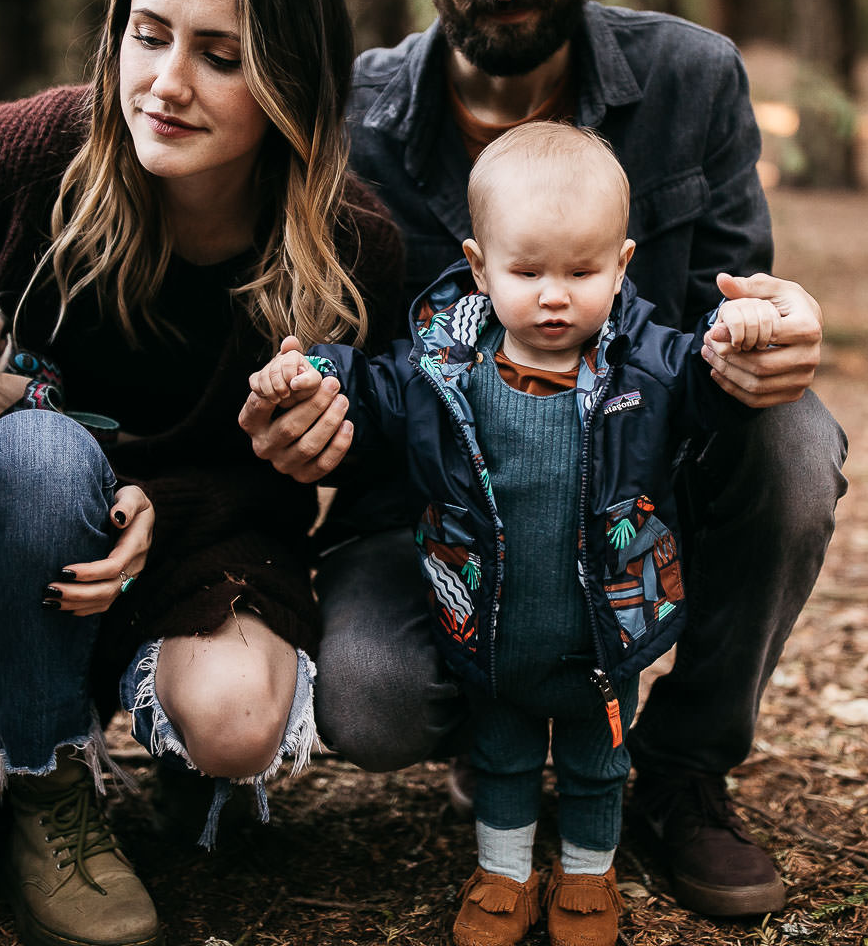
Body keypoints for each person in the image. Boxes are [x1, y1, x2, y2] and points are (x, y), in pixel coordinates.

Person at [237, 0, 849, 919]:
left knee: (795, 444)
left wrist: (771, 335)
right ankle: (511, 716)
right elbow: (322, 345)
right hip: (432, 514)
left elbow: (731, 306)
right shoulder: (348, 121)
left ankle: (679, 777)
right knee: (366, 702)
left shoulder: (690, 80)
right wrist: (305, 401)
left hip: (634, 486)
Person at [0, 0, 404, 946]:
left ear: (291, 76)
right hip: (22, 511)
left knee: (236, 720)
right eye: (147, 37)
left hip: (215, 528)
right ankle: (46, 788)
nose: (166, 84)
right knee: (50, 461)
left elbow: (355, 458)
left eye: (220, 56)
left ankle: (182, 763)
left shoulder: (351, 244)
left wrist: (329, 434)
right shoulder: (39, 151)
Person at [251, 124, 782, 946]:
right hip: (489, 628)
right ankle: (502, 876)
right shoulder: (444, 369)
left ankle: (585, 877)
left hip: (602, 627)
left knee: (596, 760)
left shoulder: (647, 365)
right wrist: (314, 371)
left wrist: (737, 336)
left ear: (623, 265)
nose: (555, 295)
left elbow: (710, 398)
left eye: (582, 271)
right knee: (500, 753)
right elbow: (373, 386)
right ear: (478, 265)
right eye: (527, 272)